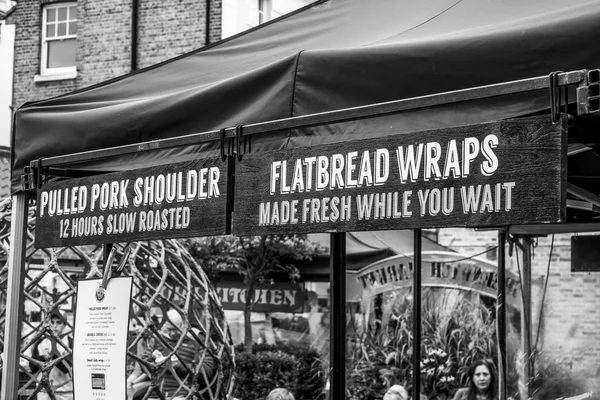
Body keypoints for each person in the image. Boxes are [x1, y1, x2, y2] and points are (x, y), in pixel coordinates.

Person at [28, 310, 73, 400]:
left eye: (59, 323)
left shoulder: (70, 342)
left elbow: (66, 368)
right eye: (52, 322)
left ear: (64, 325)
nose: (55, 326)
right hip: (44, 392)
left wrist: (51, 354)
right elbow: (33, 367)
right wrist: (46, 357)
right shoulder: (41, 342)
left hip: (65, 392)